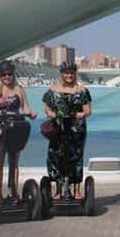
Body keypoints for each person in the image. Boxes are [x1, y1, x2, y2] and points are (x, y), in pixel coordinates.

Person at [0, 60, 36, 203]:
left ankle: (14, 193)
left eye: (9, 74)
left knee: (14, 162)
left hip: (15, 127)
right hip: (0, 128)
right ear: (0, 76)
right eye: (4, 75)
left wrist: (30, 113)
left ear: (13, 74)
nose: (7, 77)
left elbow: (25, 107)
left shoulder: (19, 89)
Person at [43, 61, 93, 200]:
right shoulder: (53, 90)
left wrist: (77, 115)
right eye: (66, 73)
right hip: (58, 128)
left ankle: (76, 189)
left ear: (75, 74)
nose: (69, 75)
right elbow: (47, 109)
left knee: (76, 157)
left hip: (76, 128)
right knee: (56, 156)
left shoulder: (82, 90)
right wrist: (52, 114)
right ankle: (58, 189)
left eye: (71, 73)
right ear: (62, 74)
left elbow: (88, 111)